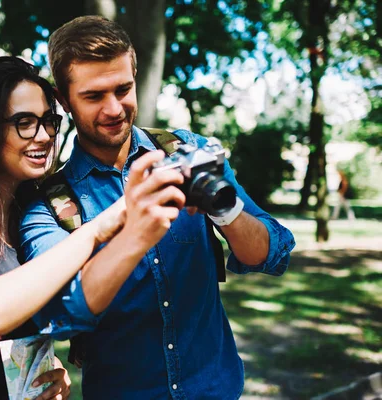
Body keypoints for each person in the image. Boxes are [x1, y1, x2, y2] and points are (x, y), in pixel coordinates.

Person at [19, 16, 297, 399]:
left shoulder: (188, 152)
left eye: (123, 88)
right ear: (63, 100)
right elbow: (60, 311)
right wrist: (133, 231)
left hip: (215, 389)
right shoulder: (49, 203)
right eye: (94, 96)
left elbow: (273, 253)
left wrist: (224, 208)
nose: (114, 108)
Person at [0, 56, 181, 400]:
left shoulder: (36, 206)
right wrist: (96, 230)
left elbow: (55, 308)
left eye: (48, 121)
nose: (44, 136)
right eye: (25, 122)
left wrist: (51, 366)